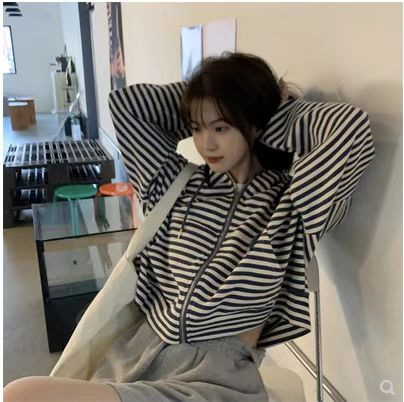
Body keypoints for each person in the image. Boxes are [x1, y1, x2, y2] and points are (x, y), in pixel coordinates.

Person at [4, 52, 375, 402]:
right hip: (139, 354)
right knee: (21, 393)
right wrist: (208, 98)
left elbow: (349, 127)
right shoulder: (174, 184)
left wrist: (263, 112)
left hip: (215, 378)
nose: (206, 143)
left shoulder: (293, 205)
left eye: (221, 127)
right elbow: (127, 105)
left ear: (255, 122)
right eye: (197, 128)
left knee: (22, 394)